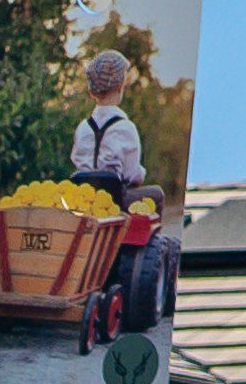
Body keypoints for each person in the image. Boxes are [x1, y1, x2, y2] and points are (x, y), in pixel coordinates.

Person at [68, 43, 177, 347]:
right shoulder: (125, 127)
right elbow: (132, 174)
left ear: (92, 90)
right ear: (121, 85)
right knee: (153, 194)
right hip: (116, 198)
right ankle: (140, 255)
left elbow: (78, 163)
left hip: (86, 197)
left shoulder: (83, 127)